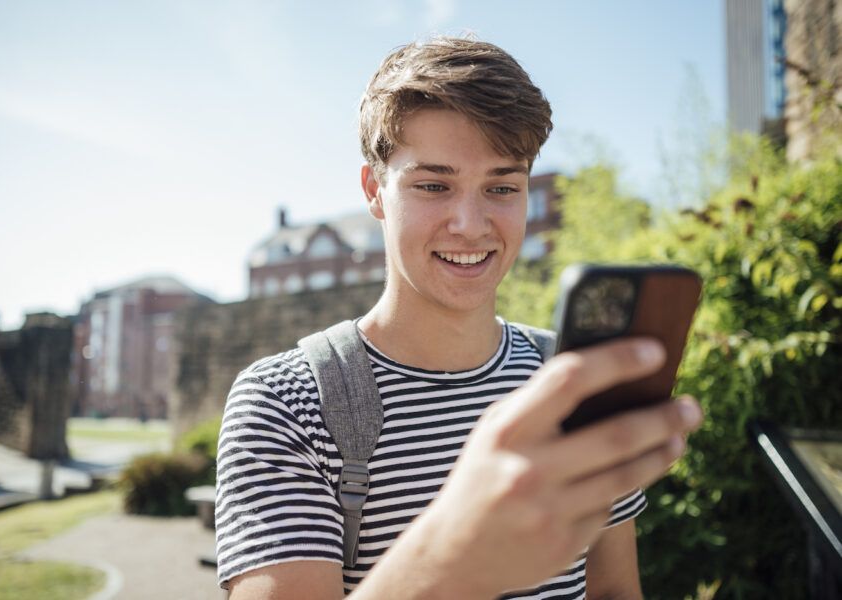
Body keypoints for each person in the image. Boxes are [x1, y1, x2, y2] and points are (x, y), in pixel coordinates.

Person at [215, 37, 702, 600]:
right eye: (433, 185)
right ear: (375, 191)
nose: (471, 225)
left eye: (501, 186)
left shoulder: (567, 380)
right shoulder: (286, 401)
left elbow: (615, 591)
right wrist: (456, 557)